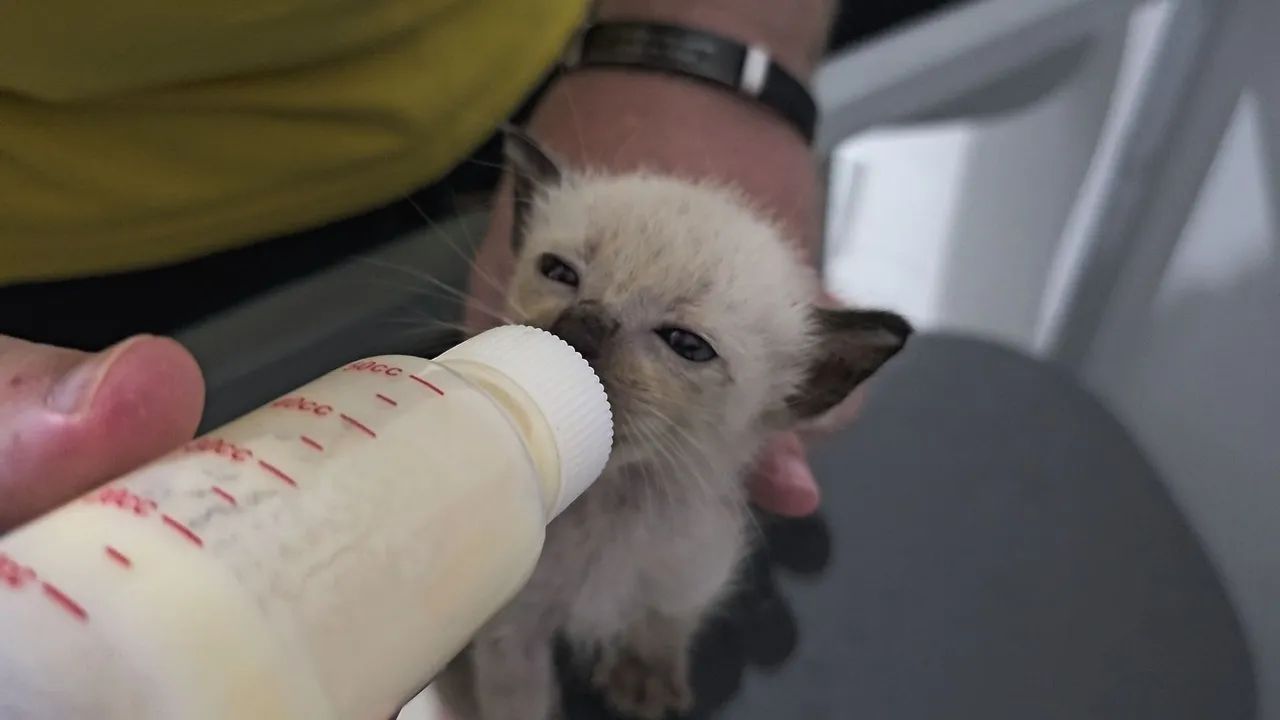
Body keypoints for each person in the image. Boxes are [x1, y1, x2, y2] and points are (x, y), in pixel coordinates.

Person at [0, 0, 885, 531]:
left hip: (529, 95)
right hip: (63, 239)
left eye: (686, 343)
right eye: (566, 284)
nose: (575, 339)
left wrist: (711, 34)